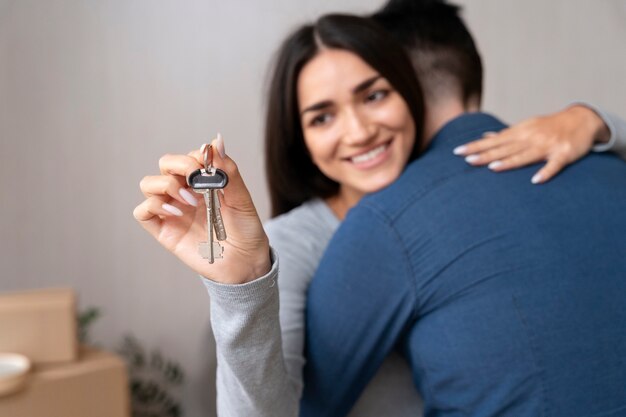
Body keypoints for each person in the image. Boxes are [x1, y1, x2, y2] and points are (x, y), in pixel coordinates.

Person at [133, 10, 626, 417]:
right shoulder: (291, 247)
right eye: (322, 116)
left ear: (411, 95)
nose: (359, 130)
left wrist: (597, 121)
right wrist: (240, 287)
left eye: (374, 95)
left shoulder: (452, 206)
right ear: (299, 138)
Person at [302, 2, 626, 417]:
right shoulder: (611, 167)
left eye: (372, 95)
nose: (358, 130)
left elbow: (302, 405)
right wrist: (593, 119)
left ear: (398, 88)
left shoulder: (386, 221)